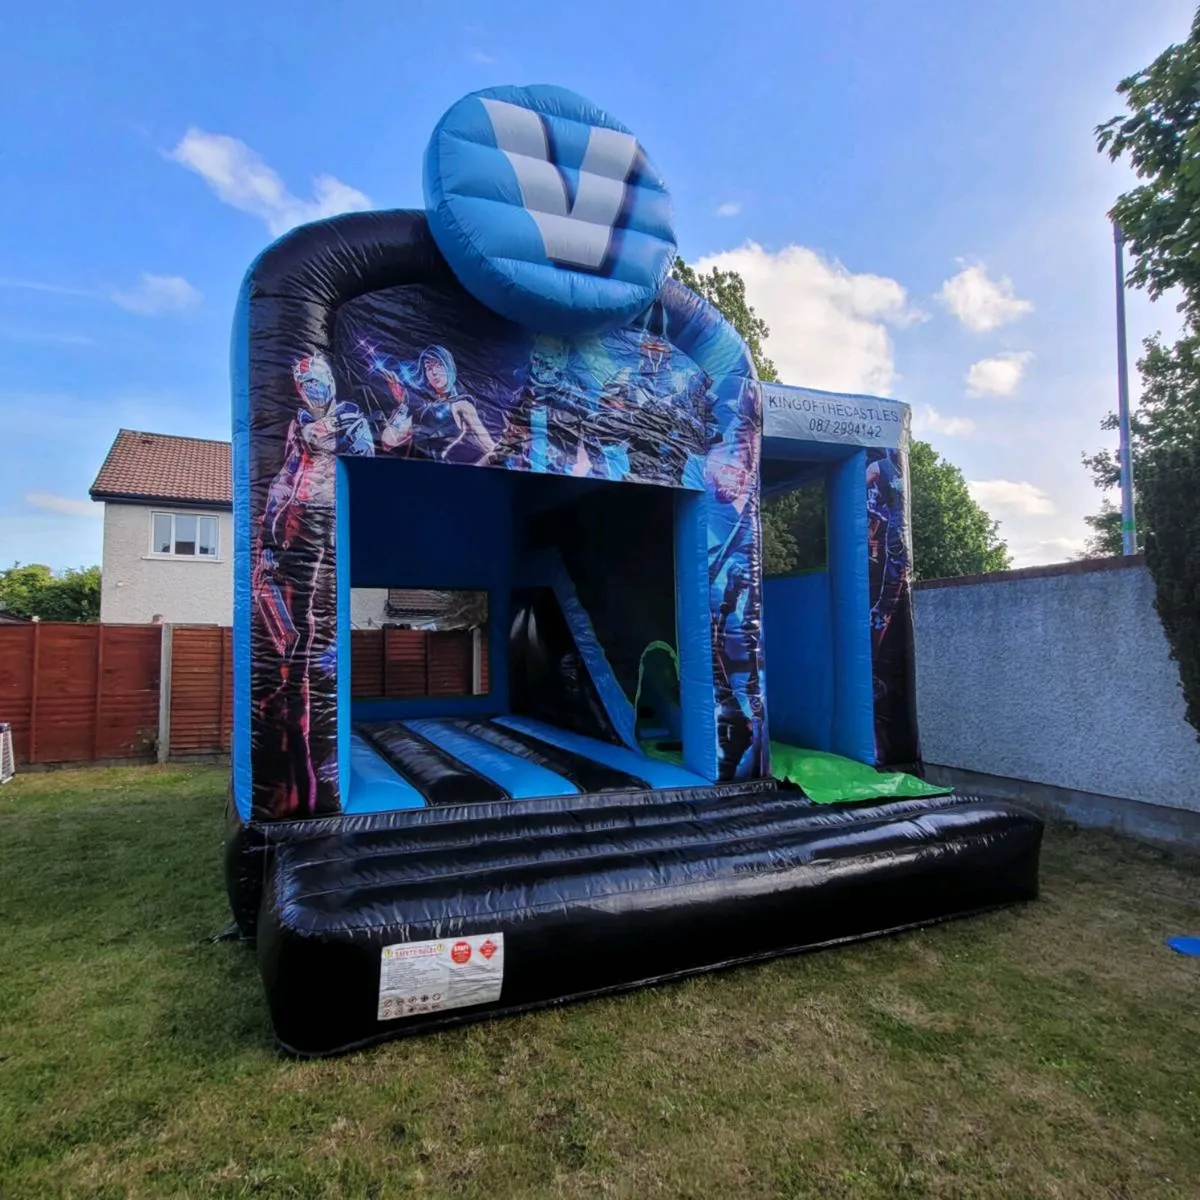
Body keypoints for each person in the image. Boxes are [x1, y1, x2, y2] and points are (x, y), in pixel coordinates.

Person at [253, 351, 374, 817]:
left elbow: (366, 456)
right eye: (306, 383)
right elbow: (285, 477)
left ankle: (316, 739)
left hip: (327, 519)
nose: (313, 389)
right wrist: (268, 532)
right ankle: (301, 739)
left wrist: (337, 440)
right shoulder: (298, 425)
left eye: (318, 381)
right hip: (296, 524)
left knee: (315, 618)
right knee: (295, 628)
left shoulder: (347, 417)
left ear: (331, 382)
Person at [377, 345, 495, 464]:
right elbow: (389, 440)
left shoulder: (461, 405)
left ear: (449, 367)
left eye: (439, 365)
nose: (434, 372)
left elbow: (490, 448)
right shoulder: (422, 410)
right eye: (428, 367)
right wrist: (403, 406)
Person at [866, 453, 908, 654]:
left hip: (896, 531)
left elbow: (856, 490)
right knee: (890, 592)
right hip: (896, 531)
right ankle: (878, 620)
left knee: (890, 594)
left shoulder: (882, 467)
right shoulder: (883, 467)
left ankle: (878, 621)